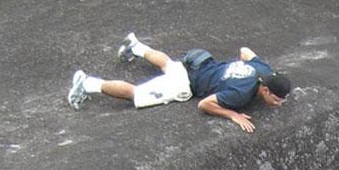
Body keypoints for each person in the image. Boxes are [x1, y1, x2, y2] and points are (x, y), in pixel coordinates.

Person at [67, 33, 291, 132]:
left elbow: (245, 51)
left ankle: (135, 46)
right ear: (264, 89)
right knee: (137, 94)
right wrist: (234, 115)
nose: (278, 104)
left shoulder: (264, 70)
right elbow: (204, 105)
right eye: (276, 99)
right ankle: (86, 83)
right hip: (186, 83)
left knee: (168, 64)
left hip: (200, 63)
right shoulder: (241, 94)